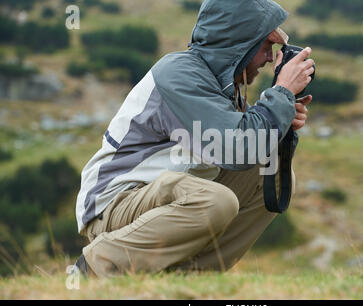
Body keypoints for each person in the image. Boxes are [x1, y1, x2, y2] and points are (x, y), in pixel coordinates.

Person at [74, 0, 315, 277]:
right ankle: (94, 269)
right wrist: (282, 91)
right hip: (115, 203)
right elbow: (239, 149)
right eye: (265, 45)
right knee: (216, 201)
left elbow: (258, 150)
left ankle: (186, 279)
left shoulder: (223, 86)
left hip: (158, 199)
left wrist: (283, 120)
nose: (271, 58)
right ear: (241, 43)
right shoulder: (180, 74)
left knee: (269, 175)